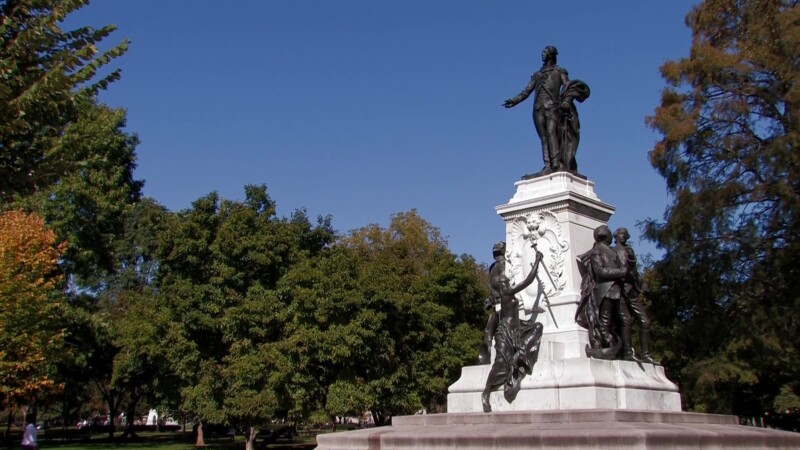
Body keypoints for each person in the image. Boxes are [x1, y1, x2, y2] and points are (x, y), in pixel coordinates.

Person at [503, 46, 590, 177]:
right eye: (542, 52)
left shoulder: (559, 71)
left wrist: (567, 101)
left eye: (545, 52)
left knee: (551, 133)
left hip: (552, 107)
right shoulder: (537, 75)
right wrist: (514, 101)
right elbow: (526, 92)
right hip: (538, 109)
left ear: (551, 54)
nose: (542, 54)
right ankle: (548, 165)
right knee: (543, 137)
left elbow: (567, 87)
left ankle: (555, 164)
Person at [482, 251, 544, 412]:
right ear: (502, 285)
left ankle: (520, 357)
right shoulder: (506, 292)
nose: (508, 282)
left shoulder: (506, 292)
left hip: (517, 327)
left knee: (537, 327)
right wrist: (537, 261)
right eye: (506, 281)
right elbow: (528, 281)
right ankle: (486, 391)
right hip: (506, 331)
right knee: (501, 365)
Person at [576, 225, 630, 360]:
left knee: (621, 320)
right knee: (605, 322)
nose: (613, 236)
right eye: (610, 233)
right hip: (606, 290)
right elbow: (600, 271)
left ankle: (623, 350)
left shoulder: (611, 251)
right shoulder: (597, 251)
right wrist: (621, 272)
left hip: (616, 290)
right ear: (605, 236)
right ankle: (609, 347)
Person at [613, 227, 656, 364]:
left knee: (645, 321)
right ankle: (627, 353)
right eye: (621, 234)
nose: (623, 236)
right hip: (620, 291)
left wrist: (643, 284)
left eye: (625, 234)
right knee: (626, 321)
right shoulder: (612, 251)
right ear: (615, 236)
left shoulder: (629, 251)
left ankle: (646, 355)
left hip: (632, 291)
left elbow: (634, 272)